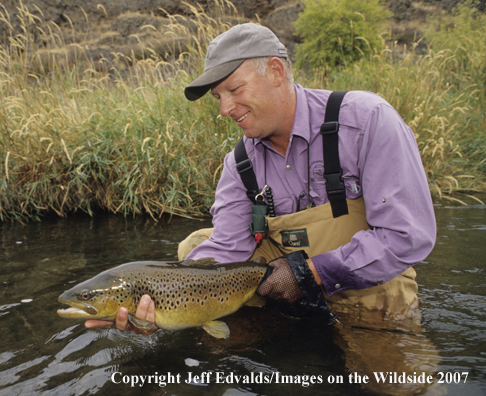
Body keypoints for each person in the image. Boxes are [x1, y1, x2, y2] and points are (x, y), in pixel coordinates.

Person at [86, 22, 437, 334]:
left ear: (275, 71)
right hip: (278, 282)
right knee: (195, 246)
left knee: (400, 387)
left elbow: (409, 236)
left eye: (234, 90)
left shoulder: (366, 120)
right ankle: (252, 325)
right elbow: (226, 248)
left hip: (369, 286)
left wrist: (310, 272)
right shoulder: (239, 163)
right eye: (218, 97)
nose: (224, 109)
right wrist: (159, 308)